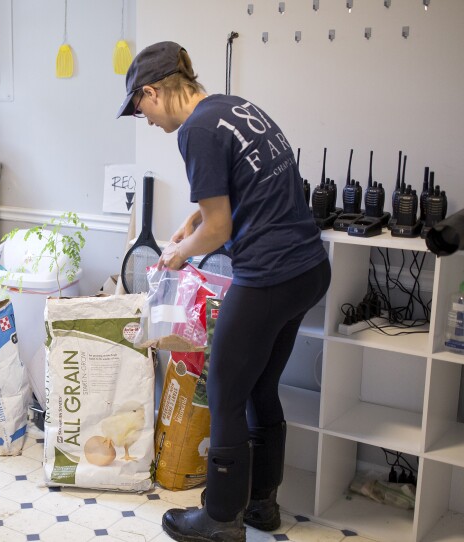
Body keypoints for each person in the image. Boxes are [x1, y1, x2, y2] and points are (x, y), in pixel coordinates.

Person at [117, 42, 331, 542]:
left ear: (153, 91)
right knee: (259, 386)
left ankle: (219, 518)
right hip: (308, 268)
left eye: (139, 107)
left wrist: (179, 253)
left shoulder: (195, 131)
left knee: (225, 390)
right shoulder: (233, 108)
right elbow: (241, 194)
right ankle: (262, 506)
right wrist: (194, 220)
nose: (144, 120)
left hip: (270, 275)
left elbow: (218, 230)